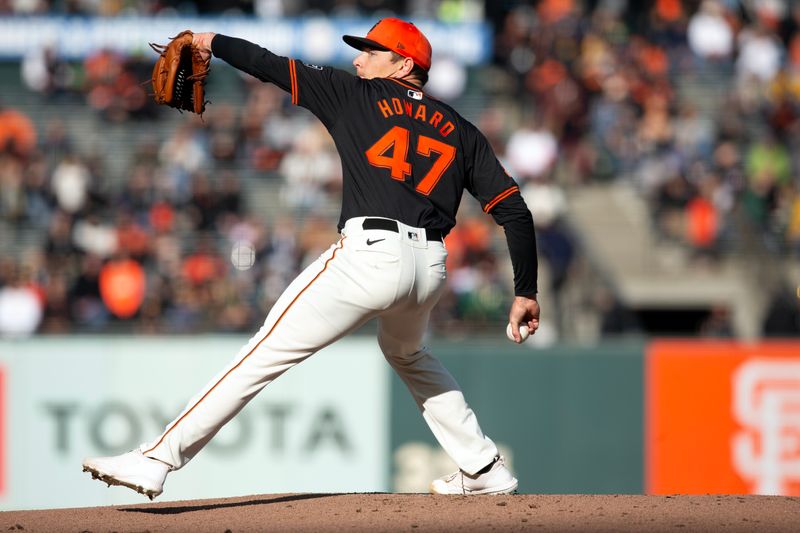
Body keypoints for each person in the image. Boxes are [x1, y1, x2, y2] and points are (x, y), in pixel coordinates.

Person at [82, 18, 540, 498]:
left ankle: (157, 459)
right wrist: (525, 291)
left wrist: (210, 41)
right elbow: (515, 211)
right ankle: (483, 466)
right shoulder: (462, 129)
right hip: (429, 268)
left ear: (404, 64)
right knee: (407, 351)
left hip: (369, 255)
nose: (358, 59)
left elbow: (268, 66)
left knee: (263, 353)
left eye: (371, 51)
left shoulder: (353, 94)